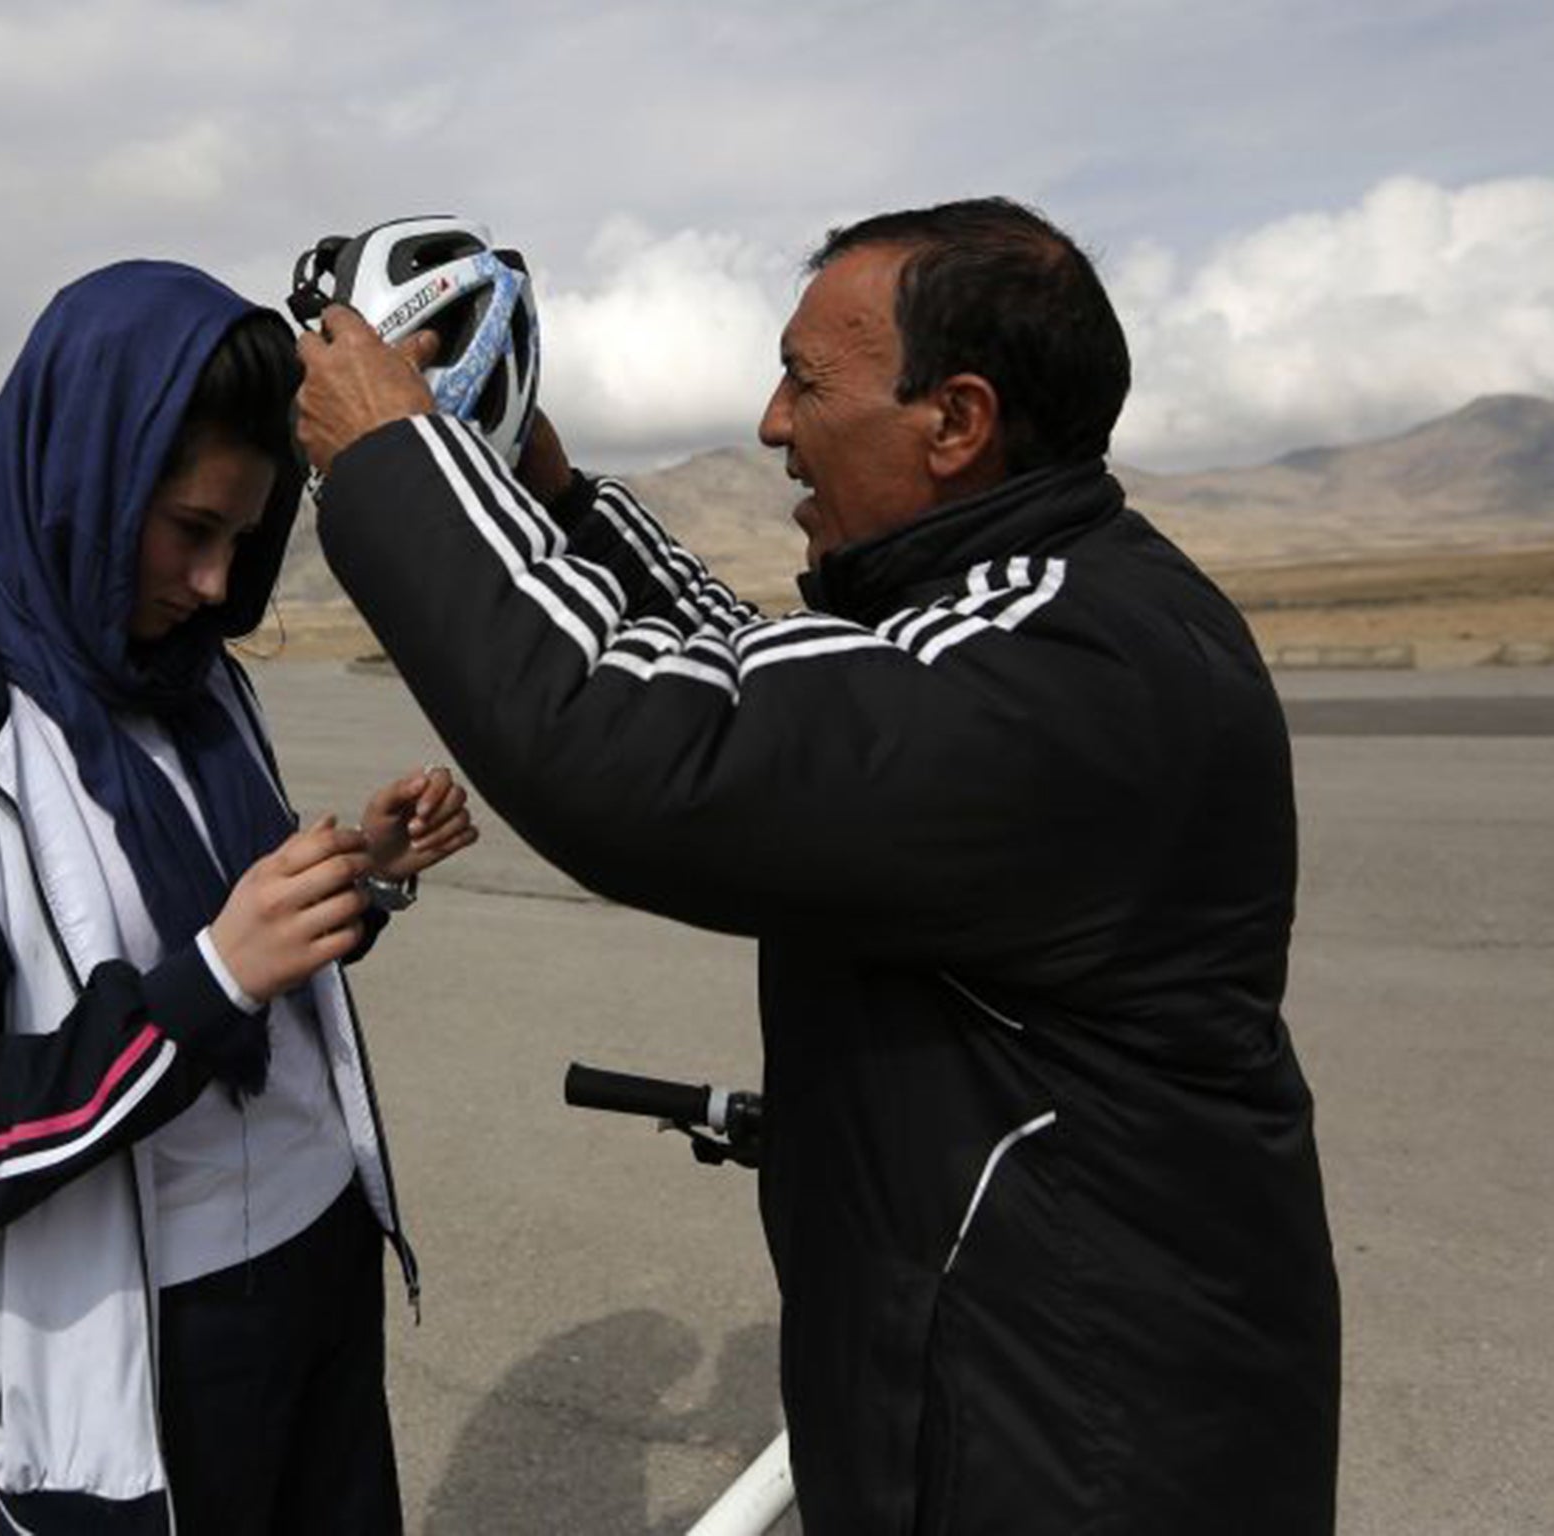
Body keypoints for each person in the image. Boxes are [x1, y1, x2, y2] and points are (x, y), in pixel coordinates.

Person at [291, 198, 1341, 1534]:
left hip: (1078, 1462)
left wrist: (395, 463)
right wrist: (558, 506)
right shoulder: (1032, 608)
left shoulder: (1068, 667)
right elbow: (767, 685)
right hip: (1015, 1406)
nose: (774, 424)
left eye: (806, 379)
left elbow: (659, 749)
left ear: (957, 421)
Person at [0, 260, 476, 1535]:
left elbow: (240, 948)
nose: (216, 586)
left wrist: (360, 877)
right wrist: (202, 991)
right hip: (142, 1344)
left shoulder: (200, 688)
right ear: (83, 486)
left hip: (322, 1268)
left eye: (242, 538)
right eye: (189, 531)